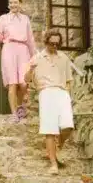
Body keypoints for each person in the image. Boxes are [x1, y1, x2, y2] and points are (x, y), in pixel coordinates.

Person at [25, 28, 74, 174]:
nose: (54, 46)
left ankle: (57, 146)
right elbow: (26, 80)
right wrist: (31, 70)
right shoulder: (37, 58)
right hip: (45, 92)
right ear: (46, 42)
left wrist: (68, 95)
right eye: (52, 43)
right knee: (50, 130)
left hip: (62, 92)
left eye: (57, 44)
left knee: (68, 126)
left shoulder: (63, 58)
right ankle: (53, 164)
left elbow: (69, 80)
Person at [0, 0, 36, 123]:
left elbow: (30, 39)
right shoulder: (3, 18)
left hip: (23, 50)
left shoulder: (25, 19)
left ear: (20, 4)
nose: (13, 5)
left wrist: (34, 56)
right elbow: (0, 38)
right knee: (12, 83)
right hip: (9, 49)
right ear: (8, 5)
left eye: (16, 2)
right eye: (11, 2)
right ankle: (14, 114)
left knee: (24, 84)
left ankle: (21, 108)